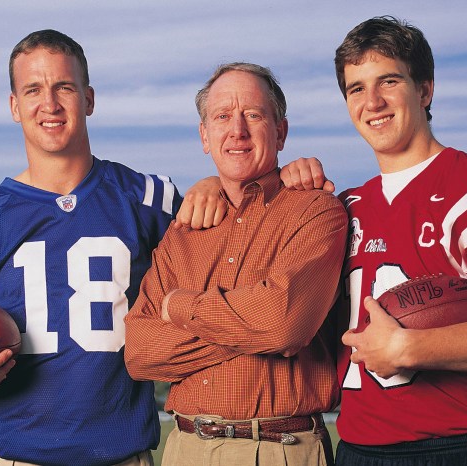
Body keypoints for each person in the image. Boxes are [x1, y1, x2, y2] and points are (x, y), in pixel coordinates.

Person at [0, 29, 225, 466]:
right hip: (10, 455)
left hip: (121, 454)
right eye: (33, 90)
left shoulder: (149, 199)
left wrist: (217, 184)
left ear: (89, 98)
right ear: (14, 106)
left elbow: (235, 237)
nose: (50, 104)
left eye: (64, 87)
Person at [285, 15, 467, 466]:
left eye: (388, 81)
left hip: (458, 447)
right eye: (356, 88)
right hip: (356, 449)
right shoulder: (342, 207)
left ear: (425, 90)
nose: (372, 101)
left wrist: (408, 348)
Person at [123, 62, 348, 466]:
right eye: (222, 116)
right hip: (185, 448)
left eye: (254, 115)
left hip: (281, 448)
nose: (237, 130)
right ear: (205, 136)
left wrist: (180, 308)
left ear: (280, 132)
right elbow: (141, 352)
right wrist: (252, 322)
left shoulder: (315, 211)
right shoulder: (184, 230)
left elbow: (282, 325)